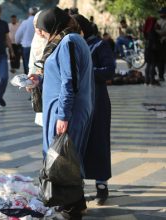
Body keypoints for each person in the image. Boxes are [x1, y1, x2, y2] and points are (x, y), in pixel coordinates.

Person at [29, 7, 94, 218]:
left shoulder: (69, 42)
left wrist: (63, 115)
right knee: (64, 155)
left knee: (63, 158)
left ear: (51, 26)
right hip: (60, 108)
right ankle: (75, 202)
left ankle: (72, 208)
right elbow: (60, 74)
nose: (42, 34)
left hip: (66, 110)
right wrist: (38, 80)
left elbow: (70, 82)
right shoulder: (66, 41)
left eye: (43, 30)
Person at [73, 14, 116, 206]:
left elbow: (109, 70)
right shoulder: (73, 44)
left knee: (98, 141)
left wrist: (86, 72)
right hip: (78, 103)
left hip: (97, 101)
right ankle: (76, 185)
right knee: (77, 145)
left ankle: (101, 186)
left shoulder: (99, 45)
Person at [15, 7, 37, 75]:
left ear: (29, 13)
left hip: (26, 47)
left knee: (27, 66)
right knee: (37, 66)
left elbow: (18, 35)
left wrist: (17, 42)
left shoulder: (25, 22)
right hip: (37, 47)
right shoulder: (39, 22)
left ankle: (29, 82)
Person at [143, 16, 162, 85]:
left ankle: (146, 80)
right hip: (152, 51)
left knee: (148, 65)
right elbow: (155, 44)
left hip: (147, 50)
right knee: (152, 65)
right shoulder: (153, 32)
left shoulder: (147, 31)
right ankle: (152, 80)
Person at [155, 7, 166, 81]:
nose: (160, 14)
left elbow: (163, 32)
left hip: (164, 42)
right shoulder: (159, 21)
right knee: (160, 60)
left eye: (162, 13)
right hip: (159, 43)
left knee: (163, 60)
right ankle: (161, 76)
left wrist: (155, 31)